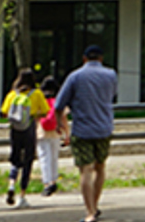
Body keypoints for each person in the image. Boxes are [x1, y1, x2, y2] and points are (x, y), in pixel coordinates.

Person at [54, 44, 117, 222]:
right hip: (104, 127)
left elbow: (59, 104)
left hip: (82, 129)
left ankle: (89, 212)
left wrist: (59, 123)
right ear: (101, 58)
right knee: (100, 167)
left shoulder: (75, 76)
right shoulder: (111, 75)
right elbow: (112, 95)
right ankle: (95, 206)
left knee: (86, 170)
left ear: (84, 58)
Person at [0, 69, 49, 207]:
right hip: (29, 127)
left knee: (15, 159)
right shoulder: (37, 93)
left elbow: (4, 112)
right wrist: (34, 114)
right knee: (28, 160)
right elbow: (45, 111)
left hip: (15, 129)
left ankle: (11, 184)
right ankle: (22, 195)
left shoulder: (12, 94)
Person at [36, 79, 60, 197]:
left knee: (44, 157)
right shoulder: (58, 101)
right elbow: (63, 118)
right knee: (54, 157)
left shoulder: (40, 101)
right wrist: (66, 133)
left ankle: (46, 183)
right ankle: (54, 181)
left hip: (42, 132)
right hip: (56, 132)